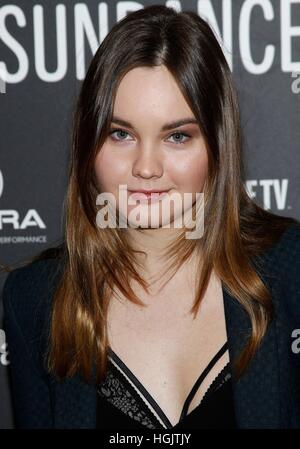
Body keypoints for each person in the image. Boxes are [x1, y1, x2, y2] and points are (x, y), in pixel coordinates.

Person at [2, 4, 300, 430]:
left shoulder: (291, 272)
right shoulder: (33, 301)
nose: (146, 167)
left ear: (217, 144)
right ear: (89, 141)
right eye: (120, 134)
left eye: (177, 136)